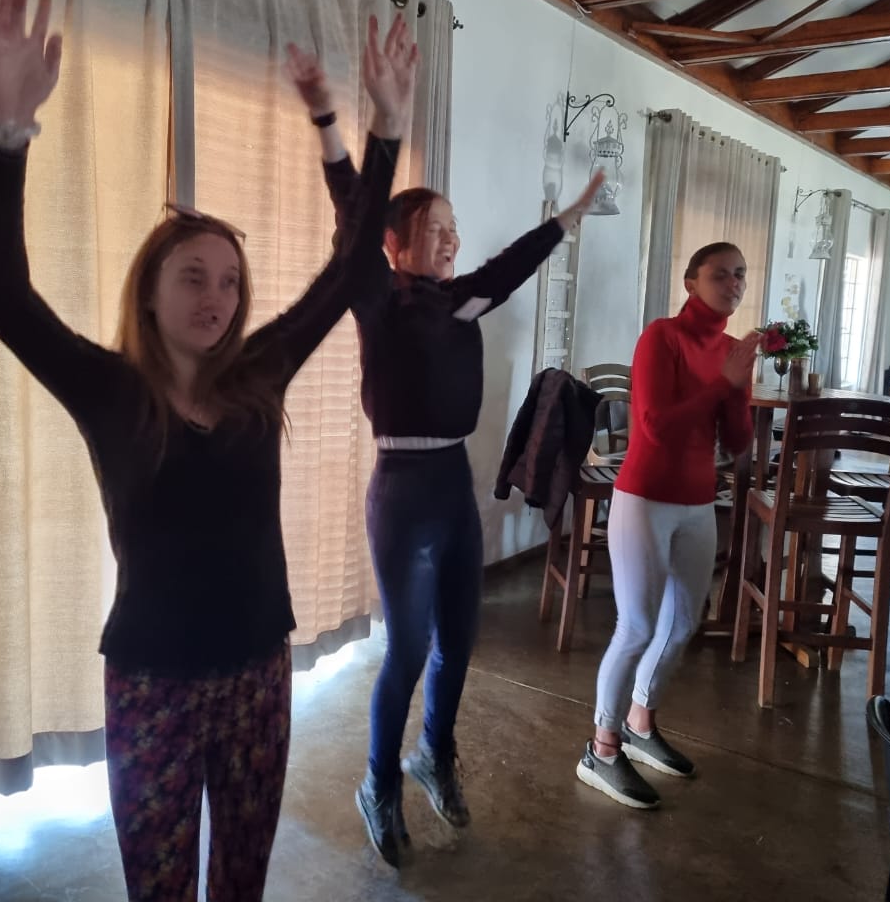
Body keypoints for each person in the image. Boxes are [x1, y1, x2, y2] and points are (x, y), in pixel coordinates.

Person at [0, 0, 415, 900]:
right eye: (194, 278)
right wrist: (6, 132)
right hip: (152, 682)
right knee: (161, 887)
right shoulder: (111, 390)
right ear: (150, 290)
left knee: (241, 878)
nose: (218, 298)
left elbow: (351, 265)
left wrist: (385, 129)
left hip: (257, 669)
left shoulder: (260, 375)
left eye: (231, 282)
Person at [290, 43, 602, 864]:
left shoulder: (461, 300)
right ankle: (378, 783)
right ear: (396, 244)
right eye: (436, 229)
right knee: (406, 647)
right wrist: (329, 123)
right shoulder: (376, 298)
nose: (452, 239)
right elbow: (354, 215)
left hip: (453, 485)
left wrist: (568, 218)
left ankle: (435, 753)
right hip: (401, 490)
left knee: (458, 641)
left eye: (454, 229)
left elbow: (512, 266)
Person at [575, 242, 759, 811]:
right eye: (720, 274)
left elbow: (738, 441)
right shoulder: (662, 337)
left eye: (740, 275)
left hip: (698, 502)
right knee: (636, 626)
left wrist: (737, 387)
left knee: (682, 623)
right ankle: (601, 750)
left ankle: (639, 722)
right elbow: (654, 427)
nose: (733, 284)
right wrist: (723, 383)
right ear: (690, 281)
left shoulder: (730, 350)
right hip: (644, 498)